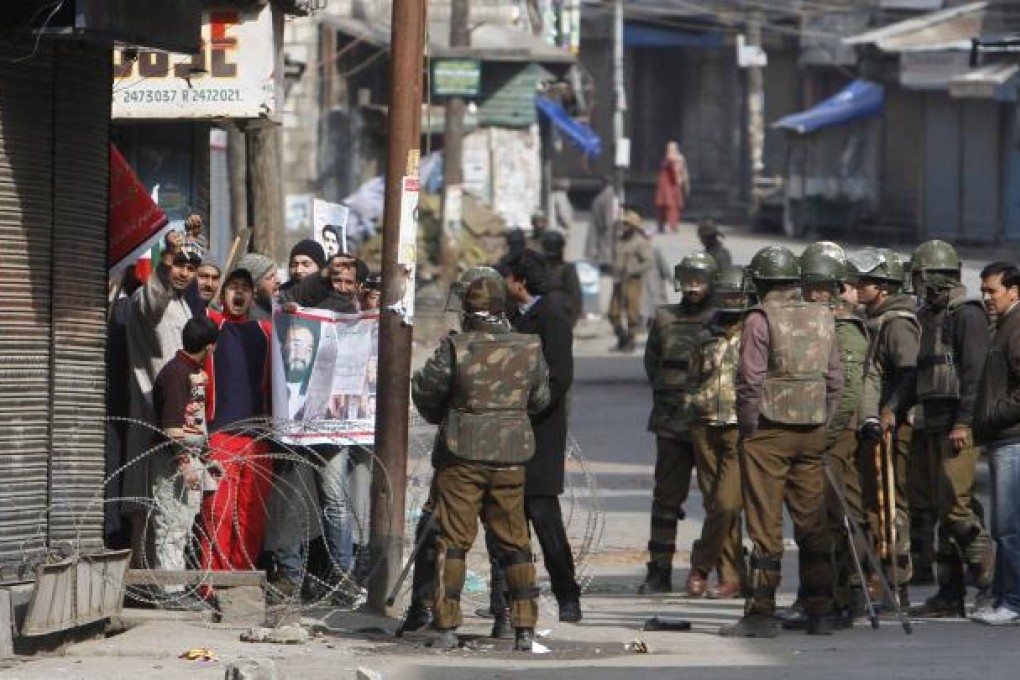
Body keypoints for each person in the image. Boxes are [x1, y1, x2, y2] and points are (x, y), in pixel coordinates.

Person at [411, 270, 551, 651]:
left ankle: (446, 627)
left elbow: (426, 391)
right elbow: (540, 399)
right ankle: (522, 628)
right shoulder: (529, 348)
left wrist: (452, 412)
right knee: (515, 542)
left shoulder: (456, 348)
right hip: (510, 455)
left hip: (462, 455)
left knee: (453, 541)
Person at [721, 245, 842, 638]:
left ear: (761, 281)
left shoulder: (760, 319)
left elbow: (750, 381)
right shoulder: (824, 316)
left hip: (769, 430)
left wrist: (748, 428)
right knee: (812, 520)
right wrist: (822, 418)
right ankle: (820, 609)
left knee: (764, 523)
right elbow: (835, 380)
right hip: (812, 428)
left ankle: (761, 611)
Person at [905, 241, 993, 617]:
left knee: (957, 508)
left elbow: (974, 375)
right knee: (942, 507)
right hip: (931, 422)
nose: (916, 284)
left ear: (935, 277)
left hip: (958, 424)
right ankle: (950, 593)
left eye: (921, 276)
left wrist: (964, 421)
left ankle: (992, 575)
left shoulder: (967, 315)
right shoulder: (927, 314)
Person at [785, 242, 869, 628]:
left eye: (822, 286)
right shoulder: (803, 320)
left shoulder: (844, 329)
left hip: (834, 434)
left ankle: (845, 593)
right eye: (809, 286)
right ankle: (818, 594)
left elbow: (849, 392)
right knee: (811, 518)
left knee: (834, 517)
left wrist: (825, 435)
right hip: (808, 430)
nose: (814, 294)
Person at [499, 250, 583, 625]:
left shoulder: (551, 317)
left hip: (540, 433)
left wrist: (525, 408)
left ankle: (568, 595)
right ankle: (509, 599)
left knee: (543, 517)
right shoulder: (510, 316)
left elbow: (559, 378)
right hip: (506, 434)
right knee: (504, 521)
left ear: (519, 280)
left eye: (506, 276)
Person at [123, 228, 205, 569]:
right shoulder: (148, 301)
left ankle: (159, 585)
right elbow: (153, 298)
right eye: (178, 265)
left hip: (178, 422)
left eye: (191, 266)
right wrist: (168, 255)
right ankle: (151, 588)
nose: (184, 272)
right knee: (151, 509)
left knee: (173, 510)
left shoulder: (182, 304)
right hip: (155, 419)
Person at [640, 252, 717, 594]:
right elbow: (652, 364)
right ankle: (659, 569)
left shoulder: (722, 319)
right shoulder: (664, 318)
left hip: (710, 422)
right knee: (666, 499)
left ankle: (720, 569)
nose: (693, 287)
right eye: (688, 280)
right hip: (671, 422)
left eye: (700, 280)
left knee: (718, 501)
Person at [850, 247, 920, 604]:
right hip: (875, 425)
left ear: (886, 287)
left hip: (895, 428)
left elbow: (910, 374)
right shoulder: (875, 319)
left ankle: (897, 581)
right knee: (872, 505)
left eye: (868, 282)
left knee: (892, 505)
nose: (859, 287)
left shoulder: (898, 324)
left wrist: (890, 410)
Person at [201, 268, 274, 575]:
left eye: (245, 287)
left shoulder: (265, 331)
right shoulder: (212, 327)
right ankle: (212, 581)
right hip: (222, 434)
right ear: (223, 292)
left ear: (253, 294)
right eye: (233, 287)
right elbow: (195, 305)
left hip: (259, 438)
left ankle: (241, 578)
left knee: (251, 515)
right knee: (218, 512)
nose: (239, 293)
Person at [685, 265, 748, 599]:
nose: (733, 301)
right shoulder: (704, 335)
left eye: (739, 295)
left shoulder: (756, 333)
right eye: (728, 295)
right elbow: (692, 378)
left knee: (727, 504)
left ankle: (700, 564)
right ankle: (733, 577)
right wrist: (691, 406)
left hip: (740, 428)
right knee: (716, 507)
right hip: (705, 426)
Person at [149, 315, 219, 608]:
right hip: (172, 463)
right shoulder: (177, 374)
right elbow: (172, 428)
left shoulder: (191, 371)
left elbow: (193, 424)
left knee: (184, 526)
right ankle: (170, 593)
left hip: (189, 458)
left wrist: (205, 459)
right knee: (171, 526)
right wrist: (185, 463)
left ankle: (176, 588)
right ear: (210, 347)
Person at [973, 262, 1020, 625]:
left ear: (1014, 291)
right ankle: (1006, 598)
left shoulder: (1016, 327)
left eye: (993, 291)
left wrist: (994, 415)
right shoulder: (1002, 325)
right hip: (1002, 438)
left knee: (1007, 526)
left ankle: (1013, 602)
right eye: (984, 290)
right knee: (1004, 525)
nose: (986, 297)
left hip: (1012, 440)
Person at [608, 209, 652, 352]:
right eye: (623, 223)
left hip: (633, 281)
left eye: (627, 224)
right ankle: (622, 338)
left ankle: (631, 341)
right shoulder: (620, 240)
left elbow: (648, 262)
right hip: (619, 281)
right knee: (613, 312)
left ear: (634, 226)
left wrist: (633, 269)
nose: (623, 226)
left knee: (632, 313)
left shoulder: (640, 242)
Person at [540, 230, 583, 328]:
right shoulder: (538, 268)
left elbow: (576, 298)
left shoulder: (567, 269)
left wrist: (570, 323)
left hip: (561, 318)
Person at [654, 141, 690, 234]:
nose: (670, 150)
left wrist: (685, 183)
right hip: (666, 186)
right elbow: (668, 168)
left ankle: (672, 226)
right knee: (663, 206)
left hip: (674, 186)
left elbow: (682, 171)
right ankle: (662, 226)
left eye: (672, 148)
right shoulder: (667, 159)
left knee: (674, 207)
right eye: (669, 148)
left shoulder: (679, 158)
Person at [586, 175, 617, 272]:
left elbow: (608, 212)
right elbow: (609, 212)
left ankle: (605, 265)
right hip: (607, 226)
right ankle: (606, 265)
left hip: (603, 226)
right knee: (606, 247)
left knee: (604, 247)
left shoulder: (604, 195)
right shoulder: (610, 194)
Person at [235, 252, 278, 321]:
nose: (278, 280)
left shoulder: (268, 307)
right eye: (270, 277)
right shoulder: (255, 321)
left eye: (275, 275)